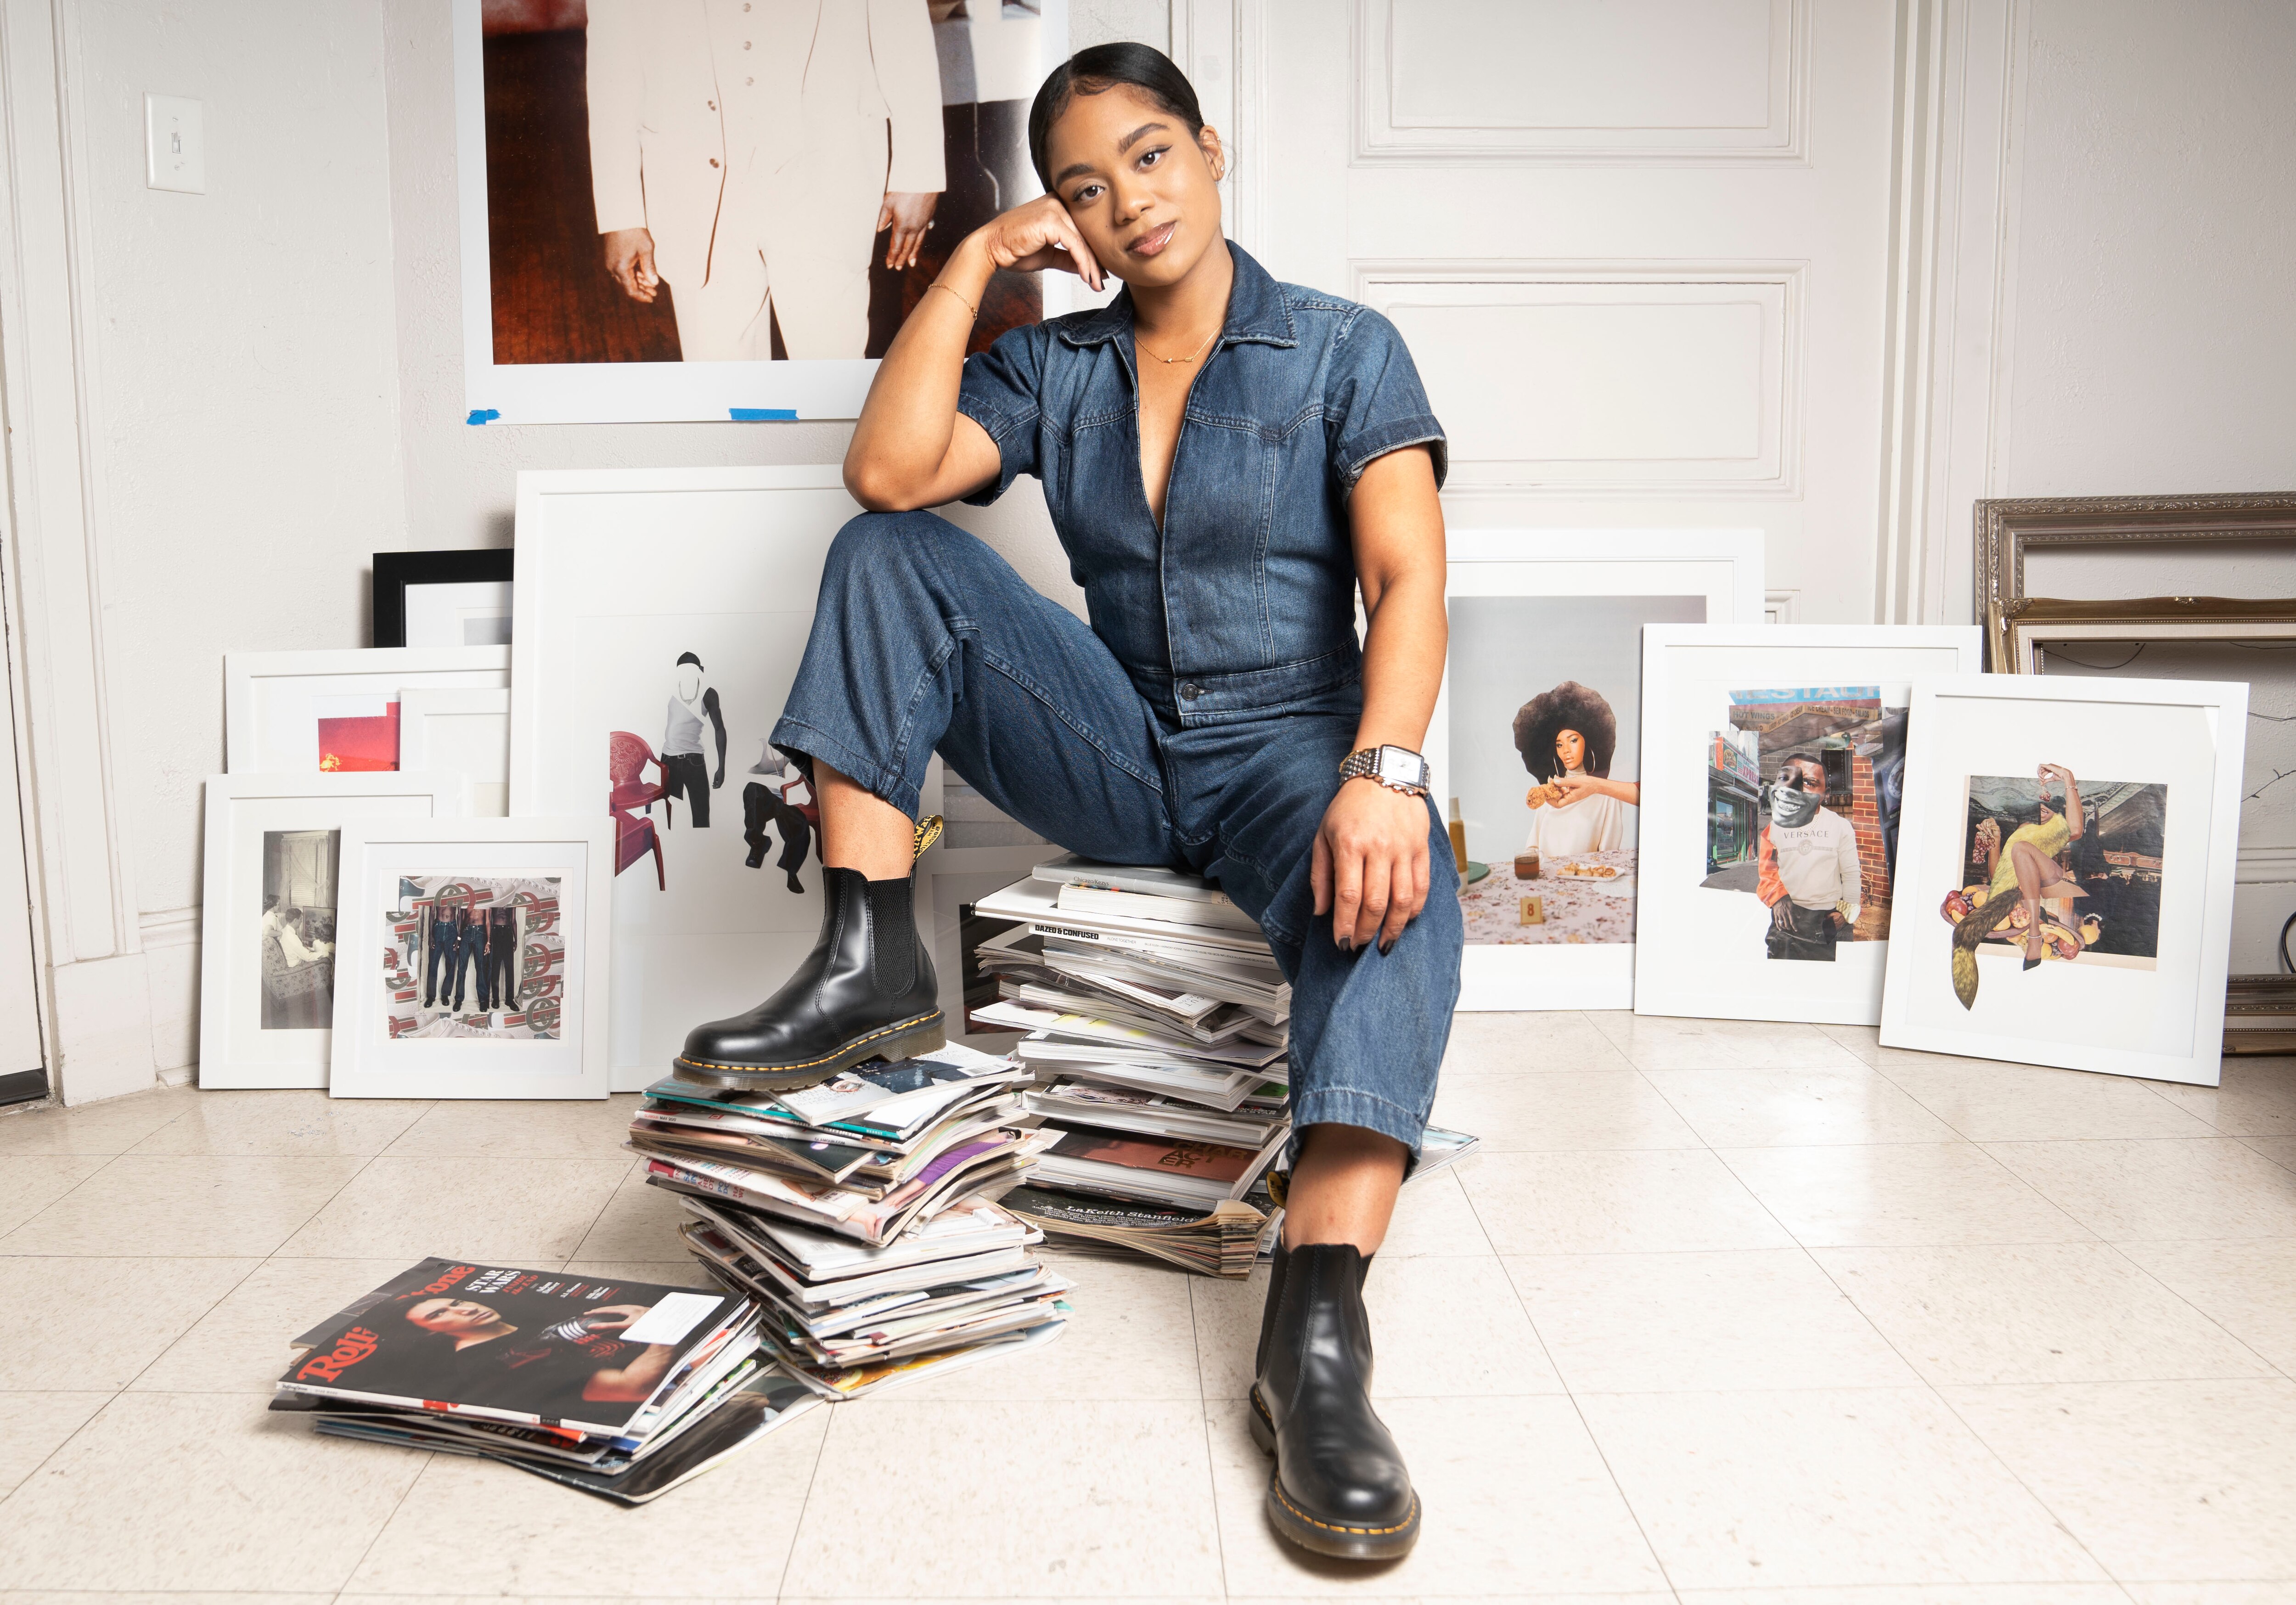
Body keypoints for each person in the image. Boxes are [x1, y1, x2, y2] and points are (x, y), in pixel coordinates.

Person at [672, 45, 1458, 1561]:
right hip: (1116, 742)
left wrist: (1387, 773)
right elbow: (890, 471)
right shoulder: (1061, 366)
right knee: (887, 554)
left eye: (1152, 157)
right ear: (1066, 216)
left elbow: (1409, 577)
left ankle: (1315, 1342)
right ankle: (868, 959)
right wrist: (976, 258)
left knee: (1403, 887)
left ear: (1213, 153)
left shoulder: (1344, 349)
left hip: (1292, 744)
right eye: (1087, 186)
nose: (1130, 201)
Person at [586, 0, 946, 360]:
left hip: (826, 173)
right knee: (723, 387)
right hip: (692, 185)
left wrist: (920, 172)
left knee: (833, 376)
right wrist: (622, 214)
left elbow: (903, 26)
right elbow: (613, 56)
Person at [1756, 752, 1861, 962]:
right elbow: (1767, 870)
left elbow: (1850, 873)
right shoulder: (1774, 827)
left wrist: (1846, 914)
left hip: (1828, 918)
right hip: (1786, 921)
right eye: (1789, 780)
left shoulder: (1840, 827)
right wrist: (1778, 900)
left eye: (1810, 783)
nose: (1800, 788)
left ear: (1826, 794)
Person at [1515, 681, 1637, 856]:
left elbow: (1609, 858)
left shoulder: (1608, 795)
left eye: (1573, 740)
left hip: (1585, 879)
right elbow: (1532, 849)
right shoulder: (1550, 790)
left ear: (1588, 742)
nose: (1566, 751)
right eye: (1559, 744)